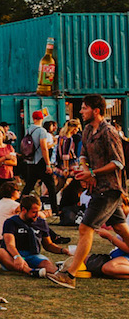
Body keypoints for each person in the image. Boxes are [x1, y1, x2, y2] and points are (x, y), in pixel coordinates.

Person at [49, 95, 129, 289]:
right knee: (119, 227)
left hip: (109, 188)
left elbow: (119, 162)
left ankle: (70, 274)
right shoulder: (86, 130)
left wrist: (93, 172)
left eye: (84, 108)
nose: (80, 111)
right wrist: (84, 169)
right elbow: (83, 153)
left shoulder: (109, 132)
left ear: (96, 110)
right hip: (97, 188)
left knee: (85, 228)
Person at [0, 195, 67, 277]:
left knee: (47, 264)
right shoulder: (11, 222)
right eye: (33, 212)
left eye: (38, 211)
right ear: (24, 210)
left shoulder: (41, 223)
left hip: (32, 254)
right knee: (0, 252)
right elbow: (10, 244)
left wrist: (64, 251)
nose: (37, 215)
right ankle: (30, 271)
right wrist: (17, 257)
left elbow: (48, 245)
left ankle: (60, 275)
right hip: (13, 255)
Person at [21, 109, 58, 213]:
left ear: (33, 118)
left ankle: (21, 204)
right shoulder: (42, 131)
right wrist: (48, 164)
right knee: (51, 186)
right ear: (42, 118)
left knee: (28, 186)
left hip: (30, 161)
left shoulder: (28, 130)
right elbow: (44, 148)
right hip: (40, 161)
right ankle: (55, 209)